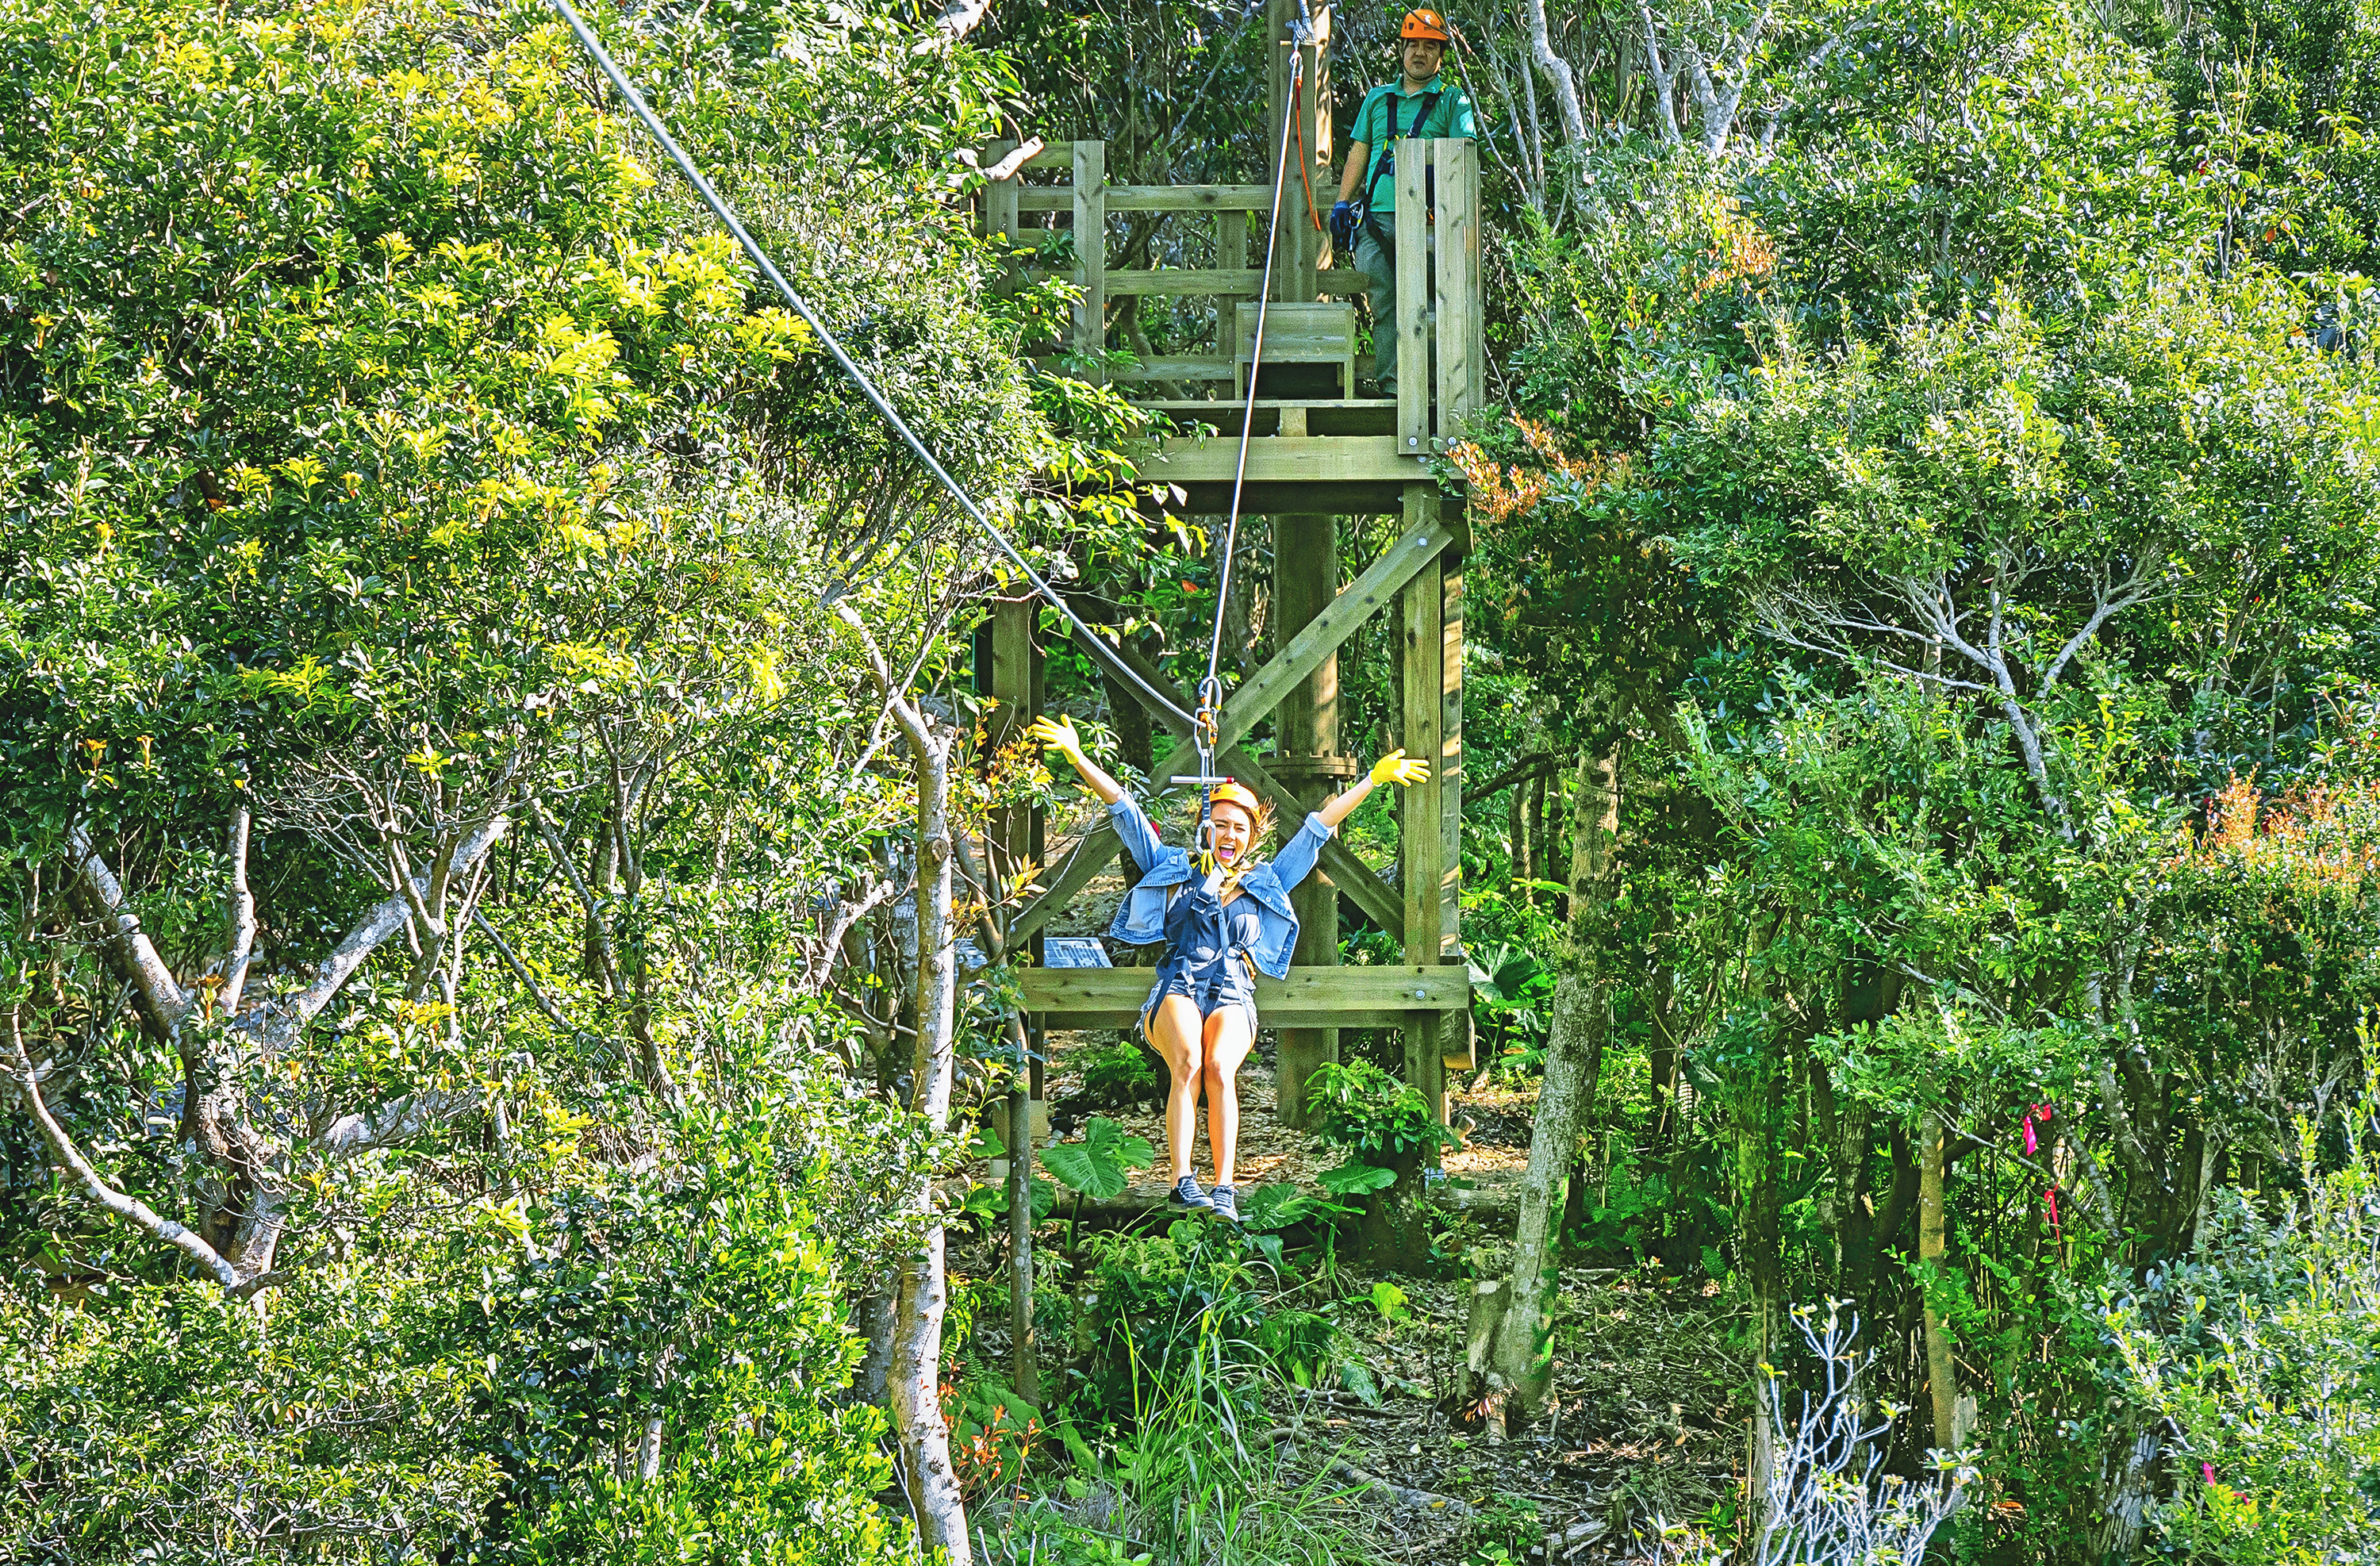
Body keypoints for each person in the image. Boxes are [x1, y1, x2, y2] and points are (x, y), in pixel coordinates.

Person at [1027, 714, 1430, 1222]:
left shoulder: (1268, 880)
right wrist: (1078, 756)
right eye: (1220, 824)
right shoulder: (1173, 866)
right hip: (1179, 982)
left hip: (1232, 988)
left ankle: (1223, 1188)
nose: (1228, 835)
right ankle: (1181, 1180)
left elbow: (1316, 831)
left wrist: (1372, 780)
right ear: (1204, 828)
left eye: (1239, 828)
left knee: (1219, 1069)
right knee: (1189, 1063)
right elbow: (1124, 812)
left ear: (1251, 836)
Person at [1330, 8, 1476, 397]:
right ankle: (1394, 390)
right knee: (1383, 304)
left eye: (1429, 47)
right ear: (1402, 50)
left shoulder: (1453, 102)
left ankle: (1433, 390)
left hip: (1429, 220)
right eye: (1413, 44)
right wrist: (1343, 203)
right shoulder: (1378, 99)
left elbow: (1464, 156)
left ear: (1440, 56)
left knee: (1431, 305)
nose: (1419, 53)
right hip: (1376, 222)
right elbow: (1360, 152)